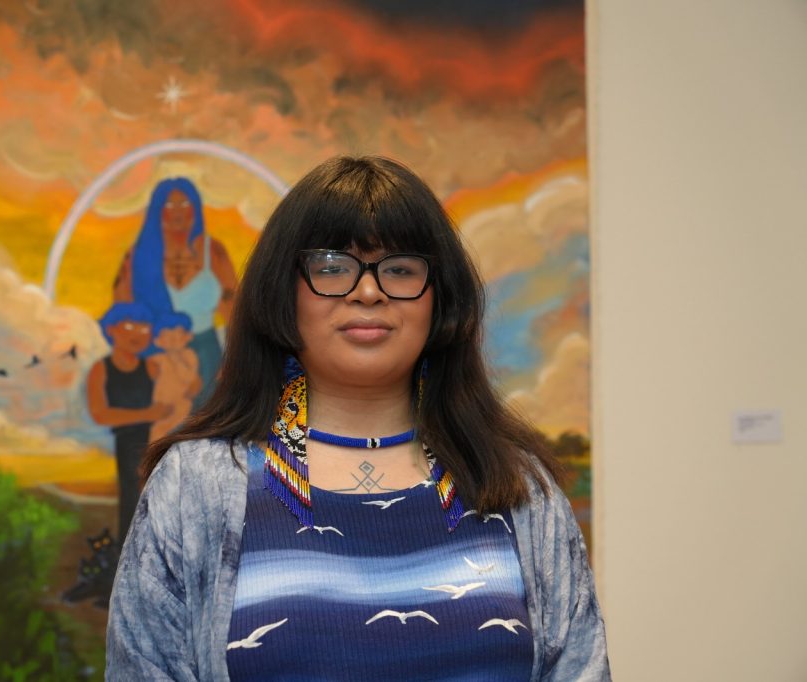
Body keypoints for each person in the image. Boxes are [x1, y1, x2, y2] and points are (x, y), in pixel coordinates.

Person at [106, 157, 610, 680]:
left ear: (439, 299)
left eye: (400, 269)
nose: (368, 292)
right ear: (282, 290)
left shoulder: (520, 485)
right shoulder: (196, 485)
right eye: (331, 267)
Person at [113, 177, 237, 408]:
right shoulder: (139, 256)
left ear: (195, 208)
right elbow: (122, 310)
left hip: (206, 351)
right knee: (163, 422)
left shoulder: (213, 251)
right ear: (157, 211)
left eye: (185, 203)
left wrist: (232, 363)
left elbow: (233, 310)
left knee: (206, 421)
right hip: (155, 353)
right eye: (169, 205)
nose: (178, 211)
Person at [86, 302, 171, 541]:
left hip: (158, 438)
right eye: (130, 326)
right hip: (128, 444)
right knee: (133, 501)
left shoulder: (152, 367)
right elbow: (100, 414)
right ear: (111, 329)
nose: (138, 334)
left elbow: (171, 400)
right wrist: (147, 414)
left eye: (144, 328)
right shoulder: (100, 369)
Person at [147, 311, 202, 441]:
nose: (173, 339)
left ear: (188, 336)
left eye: (178, 334)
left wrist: (174, 356)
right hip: (162, 407)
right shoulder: (156, 359)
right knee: (157, 434)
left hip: (182, 406)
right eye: (167, 335)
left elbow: (189, 379)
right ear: (158, 341)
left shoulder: (189, 355)